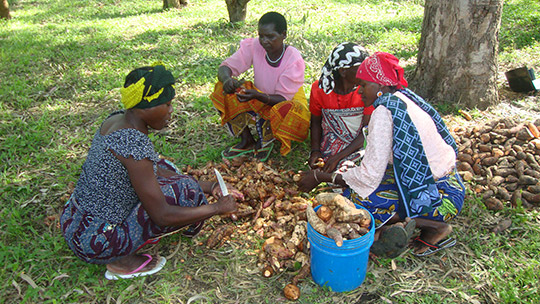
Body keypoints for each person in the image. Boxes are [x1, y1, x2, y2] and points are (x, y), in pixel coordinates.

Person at [60, 63, 241, 280]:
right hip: (99, 241)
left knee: (168, 170)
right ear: (144, 108)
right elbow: (162, 215)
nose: (171, 110)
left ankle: (118, 248)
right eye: (167, 104)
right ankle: (121, 261)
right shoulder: (133, 144)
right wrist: (216, 208)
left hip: (76, 224)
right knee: (186, 193)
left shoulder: (116, 120)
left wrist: (211, 186)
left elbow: (154, 170)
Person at [298, 52, 465, 258]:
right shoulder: (402, 97)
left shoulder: (383, 112)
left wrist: (320, 177)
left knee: (355, 199)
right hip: (452, 186)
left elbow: (368, 178)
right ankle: (390, 228)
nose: (359, 92)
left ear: (381, 86)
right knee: (350, 182)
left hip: (438, 200)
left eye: (363, 85)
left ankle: (434, 226)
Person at [210, 11, 309, 161]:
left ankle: (267, 139)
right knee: (222, 89)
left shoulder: (293, 59)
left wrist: (257, 95)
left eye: (270, 36)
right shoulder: (255, 46)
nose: (264, 41)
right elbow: (226, 67)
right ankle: (247, 140)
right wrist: (226, 80)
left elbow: (283, 98)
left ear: (283, 34)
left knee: (284, 109)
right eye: (261, 36)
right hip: (261, 96)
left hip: (285, 103)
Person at [308, 42, 373, 173]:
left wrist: (338, 157)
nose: (365, 73)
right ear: (343, 71)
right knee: (323, 167)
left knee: (360, 167)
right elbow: (315, 122)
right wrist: (315, 151)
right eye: (360, 69)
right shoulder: (320, 89)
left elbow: (366, 131)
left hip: (358, 144)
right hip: (330, 146)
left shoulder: (366, 91)